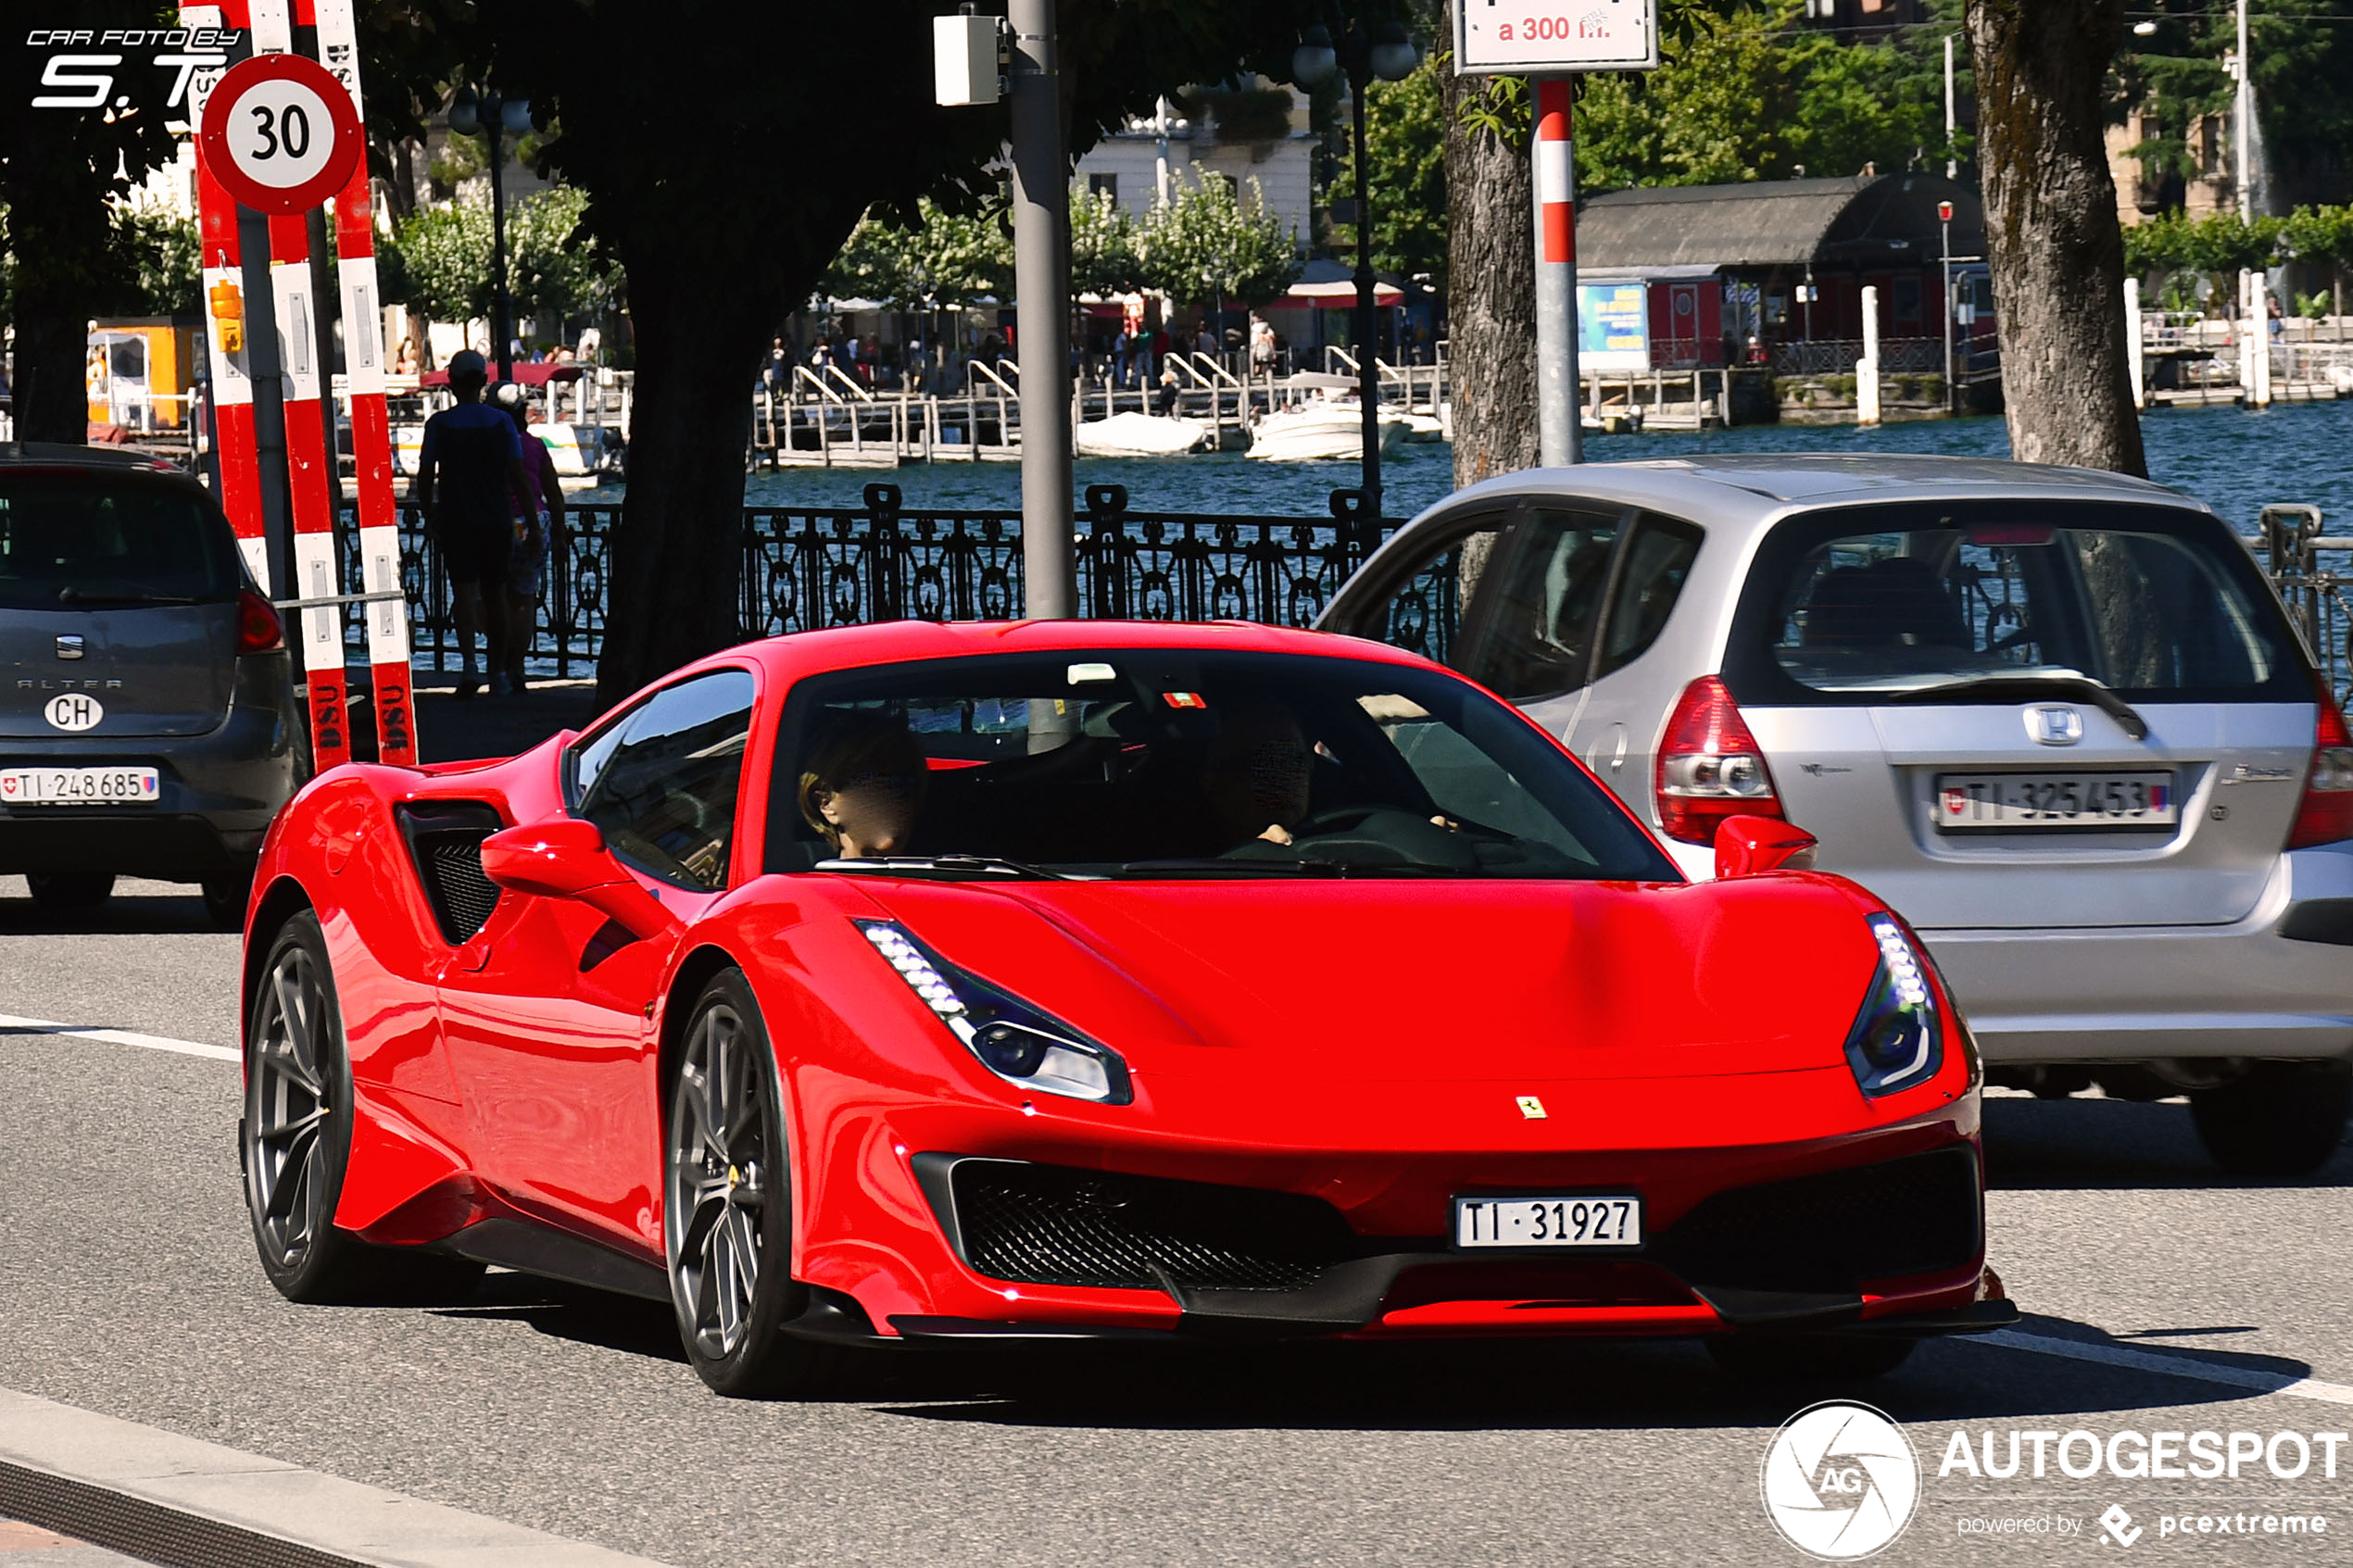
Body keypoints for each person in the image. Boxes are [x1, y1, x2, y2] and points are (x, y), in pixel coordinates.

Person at [410, 349, 533, 700]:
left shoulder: (438, 425)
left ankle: (468, 667)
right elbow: (518, 476)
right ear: (482, 382)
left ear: (451, 384)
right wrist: (535, 524)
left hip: (456, 516)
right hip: (496, 518)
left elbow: (425, 474)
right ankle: (500, 673)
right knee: (496, 595)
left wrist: (429, 512)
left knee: (464, 592)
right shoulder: (502, 423)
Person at [494, 381, 564, 696]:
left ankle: (499, 665)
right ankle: (517, 667)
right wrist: (559, 533)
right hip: (534, 521)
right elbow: (553, 492)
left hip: (497, 523)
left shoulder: (490, 447)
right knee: (524, 599)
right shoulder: (535, 446)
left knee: (495, 595)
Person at [798, 719, 929, 859]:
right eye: (874, 782)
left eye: (905, 782)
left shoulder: (942, 875)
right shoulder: (797, 872)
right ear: (826, 803)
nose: (893, 797)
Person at [1200, 701, 1314, 849]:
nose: (1280, 778)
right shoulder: (1175, 860)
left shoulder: (1341, 839)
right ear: (1211, 780)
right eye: (1259, 762)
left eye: (1293, 761)